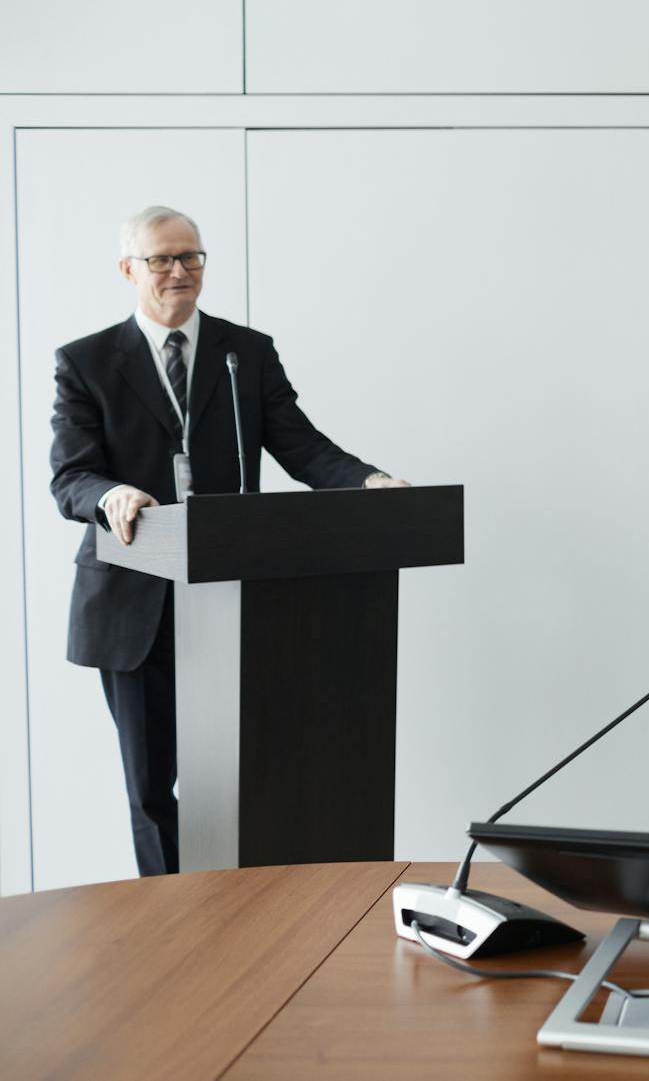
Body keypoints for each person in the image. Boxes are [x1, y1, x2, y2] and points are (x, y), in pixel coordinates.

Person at [50, 205, 408, 876]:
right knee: (153, 789)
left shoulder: (246, 353)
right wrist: (112, 495)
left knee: (245, 778)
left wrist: (367, 482)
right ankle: (174, 924)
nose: (180, 271)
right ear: (129, 270)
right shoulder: (87, 361)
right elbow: (71, 476)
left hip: (239, 598)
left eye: (192, 257)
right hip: (136, 605)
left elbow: (302, 448)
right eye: (162, 259)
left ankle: (243, 918)